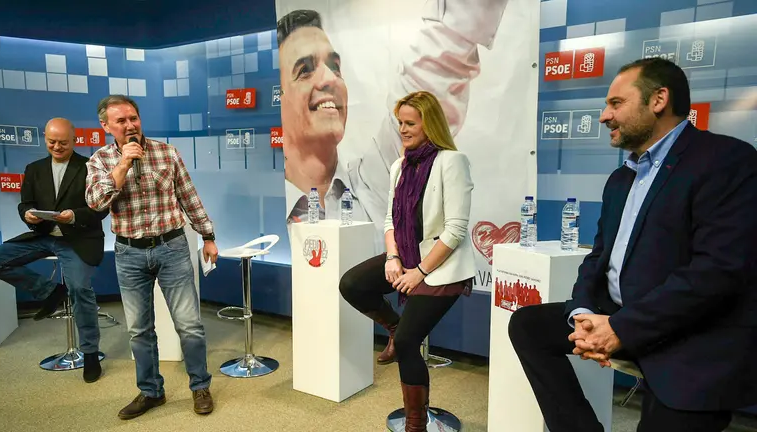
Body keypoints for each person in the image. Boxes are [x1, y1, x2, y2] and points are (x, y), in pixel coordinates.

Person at [508, 57, 757, 432]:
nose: (604, 116)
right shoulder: (622, 178)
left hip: (690, 334)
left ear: (658, 100)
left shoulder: (726, 160)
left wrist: (622, 328)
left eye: (615, 103)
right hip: (617, 315)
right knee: (528, 325)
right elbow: (597, 260)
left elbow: (716, 274)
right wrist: (582, 315)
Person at [276, 2, 508, 250]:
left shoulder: (377, 181)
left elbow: (436, 71)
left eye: (334, 67)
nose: (331, 78)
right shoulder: (272, 210)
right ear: (278, 99)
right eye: (305, 70)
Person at [339, 91, 475, 431]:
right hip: (407, 258)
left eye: (410, 123)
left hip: (442, 268)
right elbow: (390, 220)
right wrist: (393, 257)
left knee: (407, 344)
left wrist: (419, 272)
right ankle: (394, 325)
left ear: (430, 124)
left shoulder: (452, 161)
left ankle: (416, 421)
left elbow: (456, 230)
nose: (403, 128)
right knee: (352, 284)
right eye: (400, 122)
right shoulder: (401, 165)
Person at [85, 95, 219, 419]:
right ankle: (150, 392)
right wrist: (123, 165)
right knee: (139, 330)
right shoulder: (100, 160)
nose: (130, 125)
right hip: (129, 252)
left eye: (134, 118)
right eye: (121, 121)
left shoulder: (167, 152)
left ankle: (200, 385)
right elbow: (95, 203)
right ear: (106, 126)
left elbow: (189, 197)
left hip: (171, 246)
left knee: (189, 325)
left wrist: (208, 236)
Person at [0, 117, 107, 383]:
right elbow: (25, 204)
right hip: (43, 236)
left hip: (78, 239)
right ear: (45, 138)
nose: (56, 147)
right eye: (52, 141)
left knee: (80, 289)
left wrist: (73, 216)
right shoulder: (34, 169)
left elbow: (101, 208)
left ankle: (90, 353)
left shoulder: (89, 167)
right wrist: (28, 215)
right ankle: (50, 291)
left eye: (63, 143)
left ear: (74, 140)